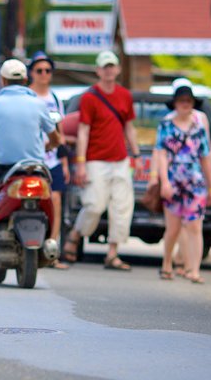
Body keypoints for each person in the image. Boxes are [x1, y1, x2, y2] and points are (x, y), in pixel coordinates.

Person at [0, 58, 62, 243]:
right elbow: (57, 139)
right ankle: (52, 240)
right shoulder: (39, 104)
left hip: (3, 171)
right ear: (25, 80)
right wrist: (46, 147)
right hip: (36, 170)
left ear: (3, 80)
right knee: (54, 196)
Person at [62, 50, 140, 271]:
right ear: (98, 70)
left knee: (122, 206)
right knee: (94, 205)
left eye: (111, 66)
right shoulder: (89, 97)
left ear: (117, 69)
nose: (108, 70)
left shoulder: (125, 96)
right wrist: (81, 162)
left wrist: (136, 154)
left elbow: (129, 128)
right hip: (95, 159)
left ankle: (113, 253)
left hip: (120, 159)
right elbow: (83, 131)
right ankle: (76, 234)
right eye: (104, 67)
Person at [147, 81, 211, 284]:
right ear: (175, 103)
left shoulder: (199, 128)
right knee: (173, 229)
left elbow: (206, 156)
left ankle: (194, 270)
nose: (185, 104)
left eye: (188, 101)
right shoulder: (166, 125)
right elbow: (160, 153)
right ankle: (167, 263)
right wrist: (162, 181)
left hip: (195, 183)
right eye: (181, 101)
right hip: (173, 181)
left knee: (195, 227)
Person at [26, 51, 71, 269]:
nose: (44, 74)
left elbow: (59, 131)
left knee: (55, 200)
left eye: (47, 70)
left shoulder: (55, 99)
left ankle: (51, 251)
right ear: (31, 73)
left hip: (52, 160)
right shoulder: (26, 97)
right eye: (39, 70)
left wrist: (64, 162)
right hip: (29, 158)